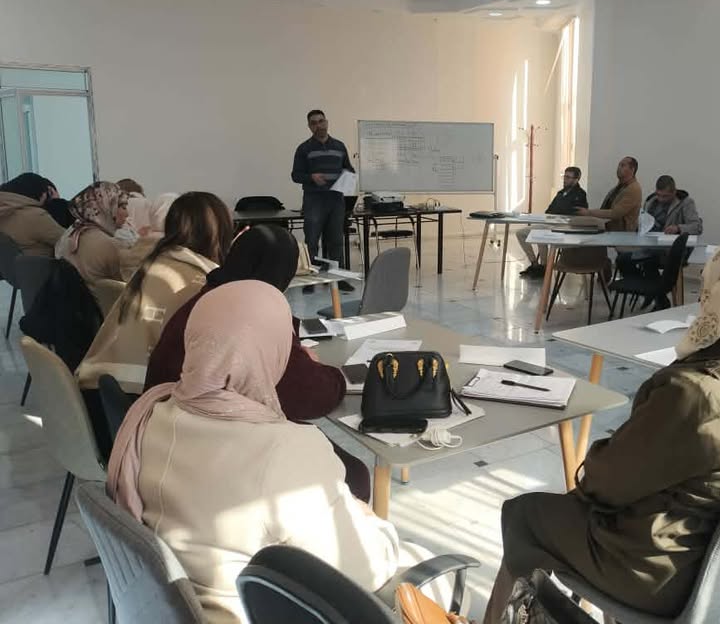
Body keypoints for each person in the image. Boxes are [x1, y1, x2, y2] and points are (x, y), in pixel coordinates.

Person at [483, 235, 720, 622]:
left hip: (663, 576)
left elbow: (603, 484)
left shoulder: (698, 393)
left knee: (524, 514)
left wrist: (606, 455)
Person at [107, 281, 450, 624]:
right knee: (431, 574)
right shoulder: (284, 450)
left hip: (176, 604)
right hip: (244, 612)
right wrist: (369, 518)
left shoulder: (151, 413)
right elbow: (368, 569)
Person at [143, 224, 370, 502]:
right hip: (211, 451)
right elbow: (310, 398)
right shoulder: (251, 321)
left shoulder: (206, 299)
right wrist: (334, 377)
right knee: (354, 475)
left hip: (169, 434)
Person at [75, 192, 233, 397]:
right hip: (143, 395)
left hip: (105, 385)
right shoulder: (200, 282)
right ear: (219, 234)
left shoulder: (154, 264)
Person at [291, 109, 355, 292]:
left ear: (326, 122)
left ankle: (337, 279)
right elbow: (295, 175)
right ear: (309, 127)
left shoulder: (339, 146)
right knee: (312, 241)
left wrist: (349, 178)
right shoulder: (304, 148)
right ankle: (309, 280)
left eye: (321, 121)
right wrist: (311, 177)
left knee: (336, 241)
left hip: (336, 200)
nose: (318, 125)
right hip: (314, 200)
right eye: (314, 123)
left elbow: (348, 169)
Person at [516, 166, 588, 279]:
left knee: (539, 234)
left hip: (565, 226)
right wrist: (550, 216)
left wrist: (557, 215)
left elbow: (576, 214)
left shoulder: (580, 194)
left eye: (568, 177)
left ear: (576, 179)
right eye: (564, 176)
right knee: (520, 233)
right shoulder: (561, 193)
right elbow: (549, 210)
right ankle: (535, 264)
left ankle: (544, 267)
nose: (565, 179)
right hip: (551, 223)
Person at [54, 182, 129, 284]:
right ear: (106, 207)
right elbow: (130, 285)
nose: (127, 213)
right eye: (123, 207)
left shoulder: (69, 234)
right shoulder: (111, 245)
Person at [0, 173, 66, 256]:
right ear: (45, 194)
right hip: (45, 264)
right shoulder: (35, 216)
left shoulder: (5, 209)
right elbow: (71, 243)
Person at [575, 156, 643, 232]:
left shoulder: (633, 189)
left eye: (622, 165)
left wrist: (589, 212)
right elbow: (606, 208)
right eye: (619, 165)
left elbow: (615, 213)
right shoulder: (620, 187)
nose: (618, 168)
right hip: (609, 229)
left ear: (632, 169)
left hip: (622, 234)